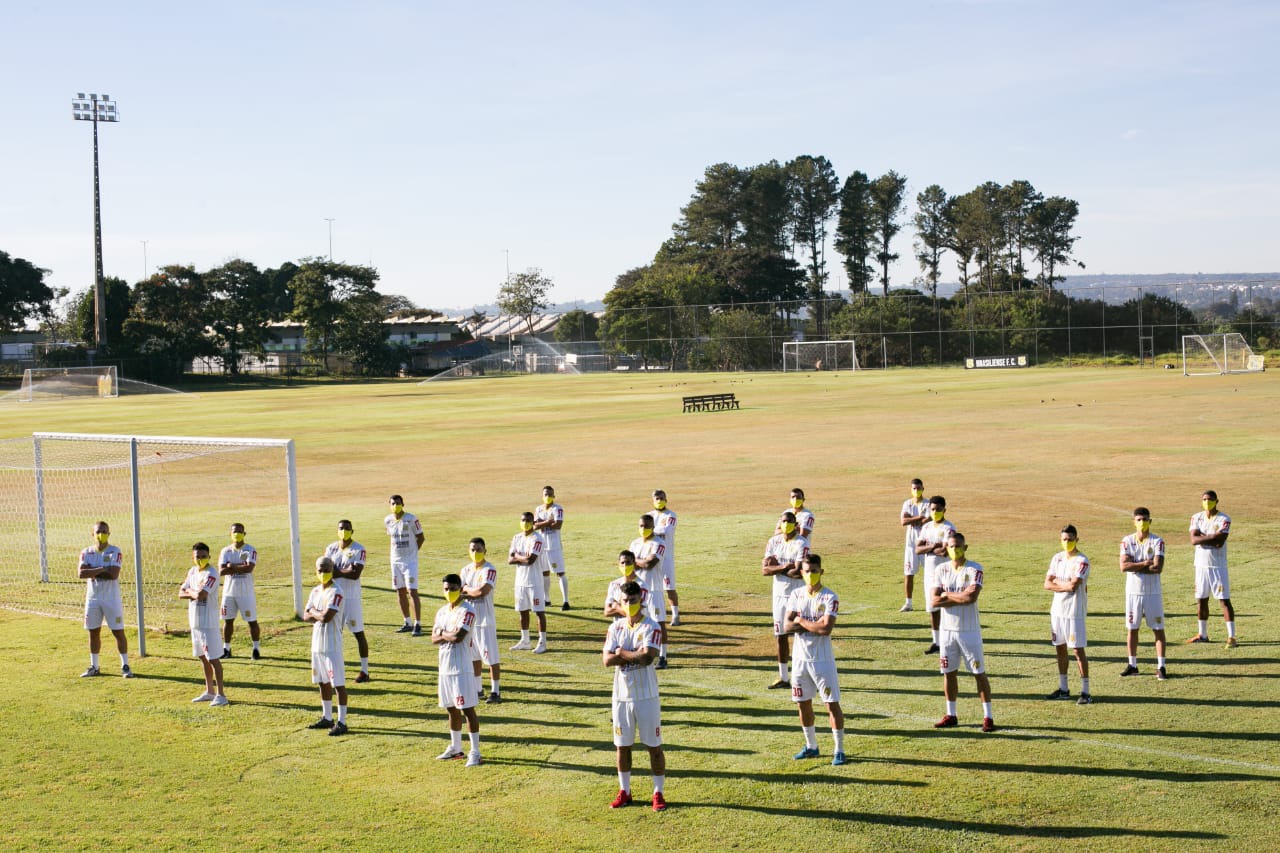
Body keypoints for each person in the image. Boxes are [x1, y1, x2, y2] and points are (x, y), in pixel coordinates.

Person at [603, 581, 667, 811]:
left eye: (633, 600)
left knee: (654, 746)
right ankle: (625, 791)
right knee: (622, 746)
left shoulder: (652, 626)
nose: (630, 604)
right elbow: (606, 660)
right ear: (620, 602)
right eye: (626, 601)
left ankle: (658, 792)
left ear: (641, 600)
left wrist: (621, 652)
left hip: (646, 696)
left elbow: (648, 657)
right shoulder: (615, 628)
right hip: (621, 696)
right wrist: (632, 654)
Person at [783, 555, 847, 766]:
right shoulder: (796, 594)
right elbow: (786, 626)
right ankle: (811, 746)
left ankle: (839, 750)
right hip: (800, 660)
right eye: (807, 571)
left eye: (815, 571)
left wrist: (800, 620)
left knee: (831, 704)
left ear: (821, 571)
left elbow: (826, 628)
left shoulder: (830, 597)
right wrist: (812, 624)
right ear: (801, 572)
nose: (811, 574)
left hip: (822, 660)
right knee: (803, 703)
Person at [929, 531, 995, 732]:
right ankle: (951, 714)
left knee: (978, 672)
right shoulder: (941, 570)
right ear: (946, 548)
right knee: (948, 672)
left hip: (969, 631)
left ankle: (988, 716)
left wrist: (946, 594)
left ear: (965, 547)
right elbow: (934, 600)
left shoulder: (975, 569)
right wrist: (957, 596)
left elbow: (970, 599)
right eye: (951, 546)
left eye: (958, 546)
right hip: (947, 631)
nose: (954, 549)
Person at [432, 573, 482, 767]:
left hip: (461, 667)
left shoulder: (467, 611)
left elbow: (459, 637)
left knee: (467, 709)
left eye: (453, 589)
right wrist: (446, 634)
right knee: (450, 708)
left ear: (460, 589)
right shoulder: (442, 612)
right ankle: (455, 747)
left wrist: (442, 633)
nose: (449, 592)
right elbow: (433, 638)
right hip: (444, 667)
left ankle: (475, 752)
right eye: (446, 589)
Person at [1044, 525, 1092, 705]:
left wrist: (1058, 583)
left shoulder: (1082, 561)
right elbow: (1047, 584)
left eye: (1070, 539)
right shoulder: (1057, 558)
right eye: (1064, 539)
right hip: (1057, 611)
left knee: (1078, 650)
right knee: (1060, 648)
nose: (1067, 542)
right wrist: (1064, 585)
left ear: (1076, 540)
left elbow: (1074, 586)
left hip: (1074, 612)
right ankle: (1063, 689)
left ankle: (1086, 692)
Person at [78, 520, 133, 679]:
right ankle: (94, 667)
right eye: (98, 532)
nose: (101, 534)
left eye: (104, 531)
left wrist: (92, 571)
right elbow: (81, 573)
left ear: (109, 534)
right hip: (93, 599)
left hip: (111, 599)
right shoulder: (86, 552)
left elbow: (114, 574)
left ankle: (125, 666)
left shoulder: (114, 551)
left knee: (118, 632)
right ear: (92, 534)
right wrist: (103, 569)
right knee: (93, 632)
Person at [762, 511, 810, 689]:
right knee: (780, 635)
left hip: (797, 595)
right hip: (778, 595)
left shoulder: (802, 543)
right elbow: (764, 570)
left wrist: (776, 568)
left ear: (795, 524)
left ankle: (803, 675)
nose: (786, 524)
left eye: (789, 521)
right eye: (783, 521)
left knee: (801, 636)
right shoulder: (773, 541)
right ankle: (783, 677)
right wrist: (784, 566)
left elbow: (798, 572)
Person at [303, 556, 349, 736]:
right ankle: (327, 717)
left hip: (332, 644)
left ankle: (342, 721)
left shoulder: (336, 592)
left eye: (327, 569)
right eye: (320, 570)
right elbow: (304, 616)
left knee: (338, 684)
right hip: (317, 644)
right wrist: (316, 613)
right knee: (322, 682)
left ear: (333, 570)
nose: (323, 573)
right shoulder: (315, 591)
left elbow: (326, 617)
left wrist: (313, 611)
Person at [1120, 507, 1168, 679]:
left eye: (1145, 520)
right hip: (1133, 593)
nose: (1142, 523)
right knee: (1132, 629)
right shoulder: (1127, 541)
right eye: (1139, 520)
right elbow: (1123, 566)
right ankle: (1132, 664)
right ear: (1134, 522)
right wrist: (1145, 563)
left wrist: (1135, 566)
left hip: (1152, 593)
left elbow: (1158, 568)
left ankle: (1161, 666)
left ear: (1150, 521)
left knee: (1158, 629)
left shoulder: (1157, 541)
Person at [179, 542, 228, 706]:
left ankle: (221, 695)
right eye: (197, 557)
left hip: (208, 623)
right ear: (193, 557)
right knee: (203, 657)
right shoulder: (192, 571)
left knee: (213, 659)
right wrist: (192, 593)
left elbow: (202, 595)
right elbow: (180, 592)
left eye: (203, 556)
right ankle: (209, 691)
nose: (200, 559)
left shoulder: (212, 573)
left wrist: (190, 592)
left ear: (209, 556)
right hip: (195, 622)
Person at [1187, 489, 1236, 647]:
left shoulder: (1224, 519)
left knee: (1224, 600)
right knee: (1201, 600)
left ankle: (1232, 637)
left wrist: (1203, 537)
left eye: (1210, 499)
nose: (1207, 502)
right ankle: (1202, 634)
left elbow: (1220, 541)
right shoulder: (1196, 517)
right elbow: (1193, 540)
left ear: (1217, 501)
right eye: (1204, 499)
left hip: (1217, 566)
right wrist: (1212, 537)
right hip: (1200, 565)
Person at [325, 520, 371, 682]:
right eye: (341, 528)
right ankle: (334, 668)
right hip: (334, 597)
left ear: (352, 531)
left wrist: (337, 571)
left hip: (351, 598)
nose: (343, 531)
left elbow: (355, 574)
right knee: (334, 634)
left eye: (347, 528)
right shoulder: (331, 548)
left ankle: (364, 671)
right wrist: (345, 570)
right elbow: (325, 570)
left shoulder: (359, 549)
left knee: (358, 633)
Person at [461, 537, 502, 703]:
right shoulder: (465, 570)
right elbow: (460, 591)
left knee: (491, 658)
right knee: (474, 657)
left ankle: (495, 691)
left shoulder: (489, 570)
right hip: (471, 622)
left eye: (478, 549)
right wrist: (470, 591)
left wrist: (467, 590)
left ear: (485, 550)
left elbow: (483, 591)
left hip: (485, 621)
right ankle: (478, 689)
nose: (475, 552)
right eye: (473, 550)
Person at [915, 495, 956, 655]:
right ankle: (936, 642)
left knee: (946, 607)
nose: (935, 512)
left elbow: (945, 551)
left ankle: (949, 640)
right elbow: (917, 549)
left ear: (944, 510)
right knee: (932, 607)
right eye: (933, 509)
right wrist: (933, 546)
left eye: (938, 509)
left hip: (945, 574)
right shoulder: (926, 527)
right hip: (929, 573)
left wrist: (928, 547)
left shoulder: (948, 528)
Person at [630, 515, 670, 668]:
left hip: (654, 590)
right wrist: (639, 561)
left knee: (659, 623)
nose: (643, 529)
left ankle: (663, 656)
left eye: (646, 526)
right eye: (641, 526)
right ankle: (641, 652)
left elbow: (650, 564)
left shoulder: (659, 543)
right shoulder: (634, 543)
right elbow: (628, 563)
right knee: (639, 622)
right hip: (638, 590)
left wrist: (636, 561)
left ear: (653, 527)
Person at [219, 522, 261, 660]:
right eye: (234, 532)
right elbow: (221, 571)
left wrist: (231, 566)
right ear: (230, 534)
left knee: (252, 621)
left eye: (239, 532)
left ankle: (256, 649)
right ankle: (226, 649)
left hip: (246, 593)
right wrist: (239, 566)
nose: (237, 534)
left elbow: (249, 568)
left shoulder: (249, 550)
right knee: (228, 621)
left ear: (244, 534)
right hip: (229, 593)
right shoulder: (226, 551)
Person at [385, 495, 425, 635]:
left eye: (398, 503)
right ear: (389, 505)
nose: (395, 505)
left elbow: (421, 537)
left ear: (403, 504)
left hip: (410, 562)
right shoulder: (388, 520)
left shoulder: (411, 518)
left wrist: (413, 553)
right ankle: (407, 622)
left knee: (412, 591)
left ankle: (418, 623)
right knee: (400, 591)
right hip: (395, 561)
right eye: (393, 503)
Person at [509, 512, 548, 654]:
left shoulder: (537, 539)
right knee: (522, 611)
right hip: (520, 582)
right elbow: (510, 560)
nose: (525, 523)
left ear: (533, 522)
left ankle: (542, 642)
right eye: (523, 520)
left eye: (528, 520)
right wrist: (521, 557)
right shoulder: (517, 538)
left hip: (534, 581)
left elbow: (531, 560)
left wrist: (517, 556)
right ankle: (525, 640)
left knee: (539, 612)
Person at [533, 486, 570, 610]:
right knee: (544, 573)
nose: (547, 496)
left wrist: (542, 523)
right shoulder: (538, 509)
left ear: (554, 496)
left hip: (554, 546)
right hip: (542, 547)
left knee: (560, 572)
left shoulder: (557, 509)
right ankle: (547, 599)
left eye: (550, 494)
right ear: (542, 496)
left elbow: (558, 525)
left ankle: (566, 601)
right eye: (545, 494)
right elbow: (535, 526)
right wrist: (549, 522)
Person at [899, 479, 928, 612]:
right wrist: (918, 518)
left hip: (925, 543)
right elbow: (903, 521)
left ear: (923, 489)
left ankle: (930, 600)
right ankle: (908, 603)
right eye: (914, 488)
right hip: (911, 544)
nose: (916, 491)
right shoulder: (907, 504)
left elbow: (927, 520)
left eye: (918, 488)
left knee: (930, 573)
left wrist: (912, 519)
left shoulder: (928, 504)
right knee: (909, 573)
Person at [605, 550, 650, 619]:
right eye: (622, 562)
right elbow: (607, 612)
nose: (625, 565)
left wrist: (616, 606)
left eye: (628, 562)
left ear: (634, 564)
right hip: (619, 625)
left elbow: (635, 613)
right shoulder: (614, 584)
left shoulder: (642, 586)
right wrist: (625, 611)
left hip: (638, 624)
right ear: (619, 564)